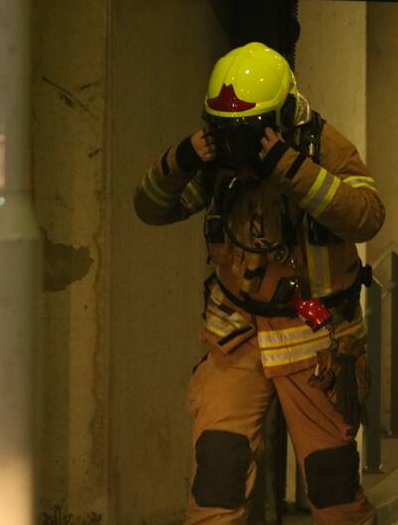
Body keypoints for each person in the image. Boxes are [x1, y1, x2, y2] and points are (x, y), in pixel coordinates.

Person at [134, 42, 384, 525]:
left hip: (314, 341)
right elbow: (151, 207)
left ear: (283, 116)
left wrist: (289, 167)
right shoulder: (221, 157)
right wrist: (182, 158)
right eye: (225, 131)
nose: (238, 146)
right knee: (217, 474)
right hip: (237, 334)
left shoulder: (323, 148)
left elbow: (367, 217)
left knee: (332, 486)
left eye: (248, 131)